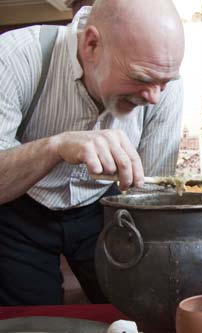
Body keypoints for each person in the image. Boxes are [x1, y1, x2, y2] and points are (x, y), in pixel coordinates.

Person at [0, 0, 185, 305]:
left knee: (133, 308)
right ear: (91, 45)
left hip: (106, 208)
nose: (154, 97)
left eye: (163, 83)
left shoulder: (163, 87)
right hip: (20, 208)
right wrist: (57, 146)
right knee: (32, 322)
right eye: (140, 78)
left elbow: (152, 194)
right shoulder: (14, 57)